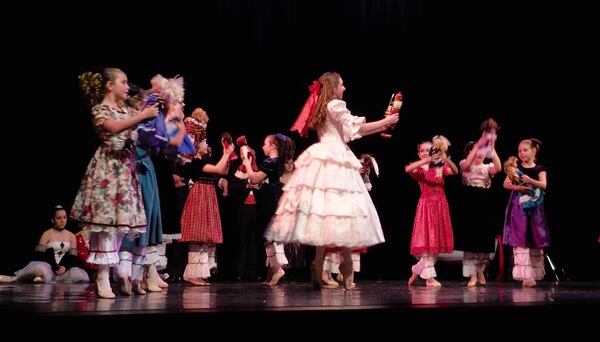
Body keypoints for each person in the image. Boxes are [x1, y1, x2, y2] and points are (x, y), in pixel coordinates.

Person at [264, 71, 399, 290]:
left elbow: (349, 133)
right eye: (342, 84)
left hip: (323, 156)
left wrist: (382, 126)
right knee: (342, 210)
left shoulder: (321, 107)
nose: (345, 88)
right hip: (336, 158)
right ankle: (346, 269)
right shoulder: (335, 105)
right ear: (334, 87)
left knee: (325, 211)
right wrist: (387, 120)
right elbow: (356, 127)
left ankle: (318, 263)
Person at [70, 68, 159, 298]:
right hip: (108, 172)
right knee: (107, 226)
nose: (127, 87)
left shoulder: (128, 109)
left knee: (121, 227)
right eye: (124, 82)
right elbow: (113, 128)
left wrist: (154, 108)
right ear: (110, 85)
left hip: (126, 171)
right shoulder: (101, 108)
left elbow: (142, 126)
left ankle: (115, 273)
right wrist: (141, 115)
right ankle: (102, 277)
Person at [242, 133, 295, 286]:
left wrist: (246, 164)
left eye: (265, 144)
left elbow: (255, 178)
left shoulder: (271, 161)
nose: (263, 146)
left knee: (268, 233)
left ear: (272, 146)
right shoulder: (280, 162)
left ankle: (277, 269)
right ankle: (271, 273)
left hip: (270, 198)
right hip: (278, 196)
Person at [405, 136, 458, 287]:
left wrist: (445, 158)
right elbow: (408, 169)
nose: (425, 153)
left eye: (428, 150)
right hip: (427, 206)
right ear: (419, 153)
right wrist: (426, 161)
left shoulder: (439, 168)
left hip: (441, 205)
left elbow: (455, 171)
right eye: (422, 151)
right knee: (429, 244)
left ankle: (417, 269)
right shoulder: (419, 168)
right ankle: (429, 279)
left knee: (435, 246)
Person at [455, 129, 502, 286]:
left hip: (485, 204)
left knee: (483, 239)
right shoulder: (464, 163)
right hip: (470, 204)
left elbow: (499, 168)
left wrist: (492, 149)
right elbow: (466, 165)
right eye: (476, 151)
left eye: (482, 151)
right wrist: (478, 145)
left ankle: (481, 271)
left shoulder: (487, 167)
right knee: (471, 240)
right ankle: (472, 275)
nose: (480, 154)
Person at [0, 205, 89, 284]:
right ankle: (16, 278)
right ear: (53, 220)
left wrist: (64, 267)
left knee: (78, 274)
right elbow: (40, 255)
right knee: (39, 268)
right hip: (49, 265)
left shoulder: (71, 236)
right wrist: (55, 267)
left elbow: (72, 257)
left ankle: (45, 278)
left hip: (63, 269)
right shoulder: (47, 234)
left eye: (64, 217)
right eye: (59, 218)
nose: (62, 221)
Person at [503, 138, 549, 287]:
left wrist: (530, 180)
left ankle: (533, 275)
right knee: (521, 236)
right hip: (519, 207)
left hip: (534, 206)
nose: (521, 153)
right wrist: (518, 188)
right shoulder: (516, 168)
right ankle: (526, 276)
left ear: (534, 151)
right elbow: (505, 183)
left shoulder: (539, 168)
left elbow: (543, 184)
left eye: (525, 150)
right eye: (519, 151)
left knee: (533, 236)